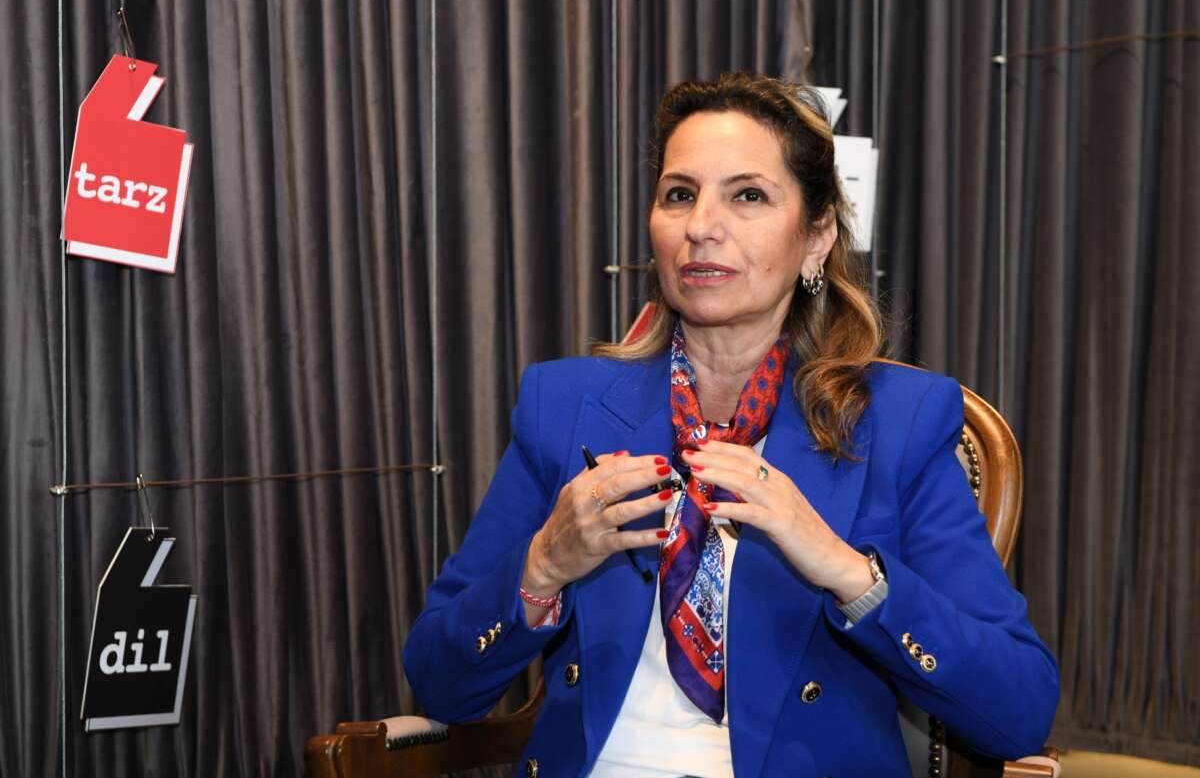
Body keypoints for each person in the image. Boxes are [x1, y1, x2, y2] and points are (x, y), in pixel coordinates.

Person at [403, 72, 1059, 778]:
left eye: (748, 195)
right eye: (679, 194)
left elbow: (1018, 709)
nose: (701, 226)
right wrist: (542, 567)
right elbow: (441, 682)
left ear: (816, 237)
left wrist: (845, 569)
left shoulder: (899, 420)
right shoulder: (565, 406)